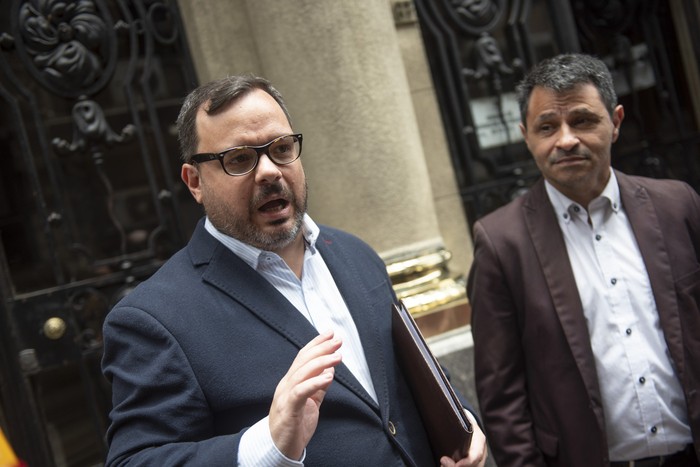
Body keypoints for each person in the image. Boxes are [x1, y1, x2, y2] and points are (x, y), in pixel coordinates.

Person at [101, 74, 487, 467]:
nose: (269, 171)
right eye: (239, 159)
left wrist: (463, 423)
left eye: (282, 148)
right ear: (195, 182)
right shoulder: (152, 318)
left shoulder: (355, 254)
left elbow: (411, 377)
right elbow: (135, 460)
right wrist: (268, 443)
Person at [468, 53, 700, 467]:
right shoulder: (502, 244)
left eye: (582, 120)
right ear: (526, 135)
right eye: (547, 127)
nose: (565, 139)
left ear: (616, 122)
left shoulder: (678, 206)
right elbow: (503, 400)